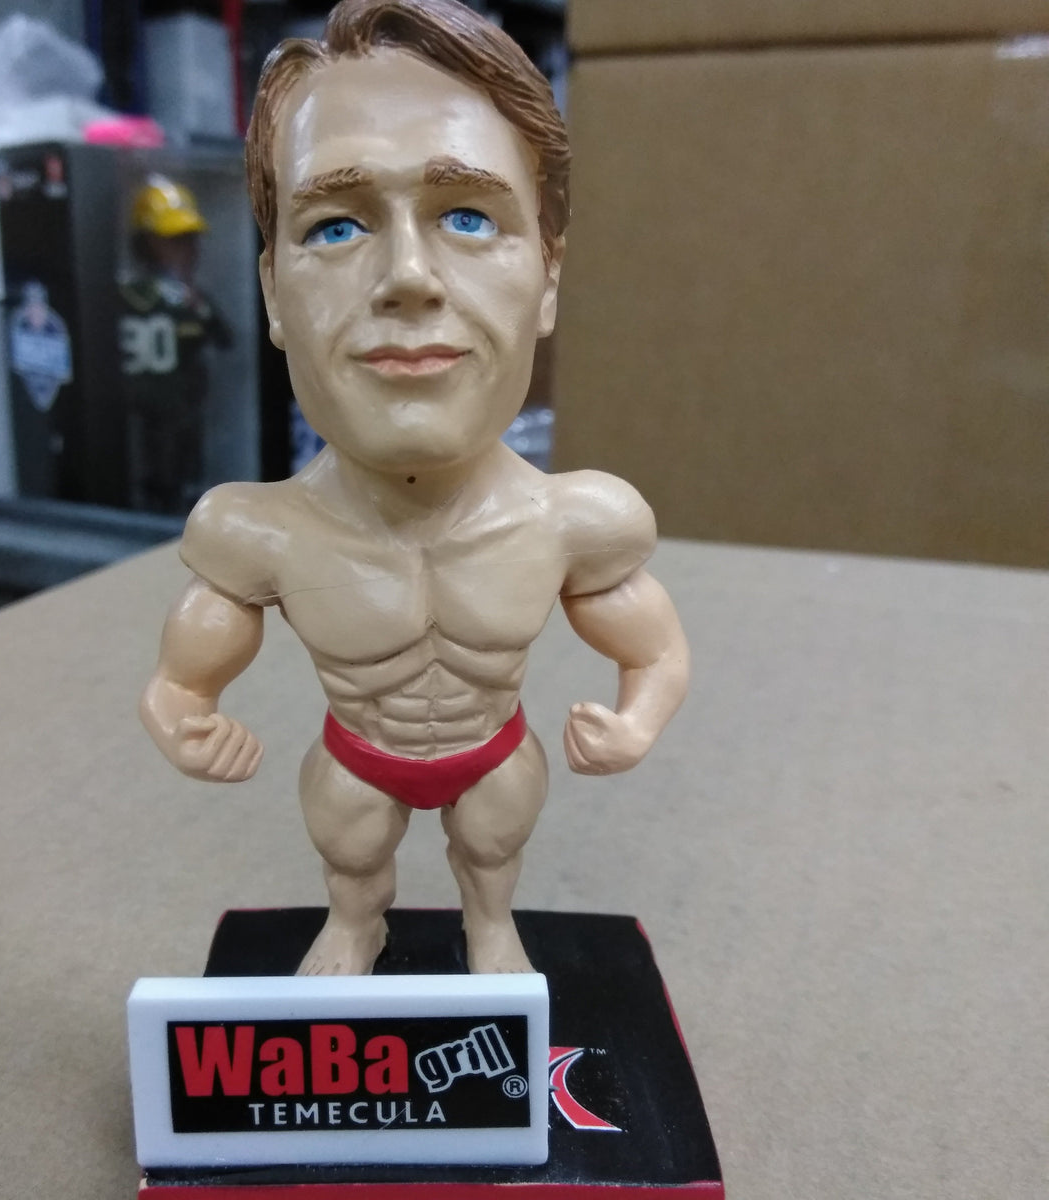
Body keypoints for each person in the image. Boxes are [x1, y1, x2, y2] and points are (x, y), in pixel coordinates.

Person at [140, 0, 689, 975]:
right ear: (271, 292)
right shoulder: (252, 535)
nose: (407, 277)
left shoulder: (581, 522)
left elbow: (655, 653)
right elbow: (180, 683)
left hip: (495, 753)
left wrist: (639, 720)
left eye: (468, 217)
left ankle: (491, 926)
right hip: (357, 756)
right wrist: (181, 722)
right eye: (336, 225)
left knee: (493, 853)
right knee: (352, 861)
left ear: (548, 277)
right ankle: (355, 923)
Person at [120, 175, 233, 513]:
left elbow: (225, 339)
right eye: (175, 241)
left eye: (190, 240)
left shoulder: (188, 298)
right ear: (145, 245)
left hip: (183, 417)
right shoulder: (159, 298)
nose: (188, 251)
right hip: (143, 421)